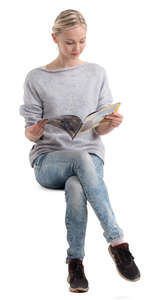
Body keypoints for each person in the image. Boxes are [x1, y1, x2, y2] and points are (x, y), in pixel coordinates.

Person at [19, 9, 141, 293]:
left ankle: (75, 264)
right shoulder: (36, 78)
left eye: (82, 41)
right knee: (79, 160)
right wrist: (35, 131)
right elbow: (28, 133)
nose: (76, 48)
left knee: (77, 186)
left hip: (89, 157)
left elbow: (99, 131)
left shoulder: (96, 72)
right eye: (69, 42)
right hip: (50, 162)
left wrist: (110, 123)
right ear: (55, 39)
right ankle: (118, 242)